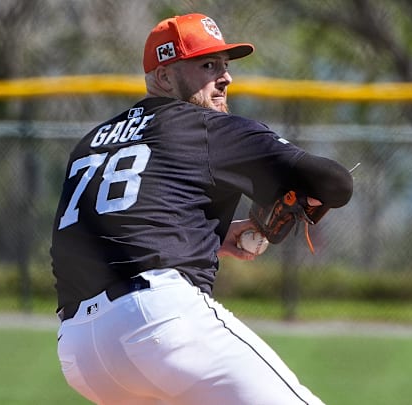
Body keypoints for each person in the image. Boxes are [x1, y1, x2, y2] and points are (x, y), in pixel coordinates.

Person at [51, 13, 353, 405]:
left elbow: (113, 223)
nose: (224, 78)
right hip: (158, 323)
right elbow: (336, 182)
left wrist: (210, 235)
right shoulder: (205, 127)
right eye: (207, 66)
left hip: (79, 350)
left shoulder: (91, 141)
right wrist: (310, 198)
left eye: (225, 66)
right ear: (162, 77)